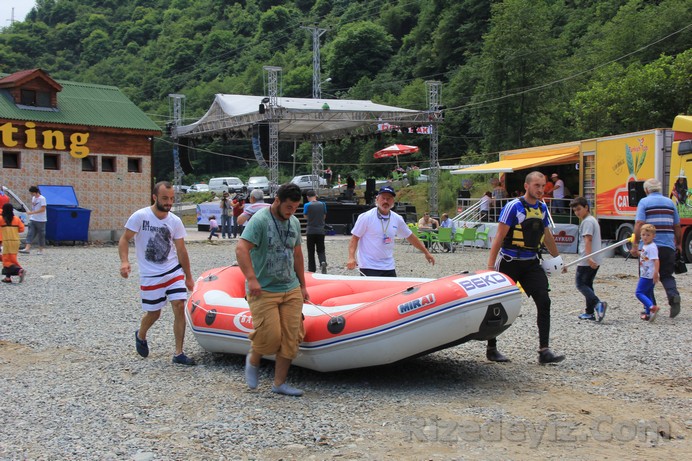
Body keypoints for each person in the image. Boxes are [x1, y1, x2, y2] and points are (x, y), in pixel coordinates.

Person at [236, 183, 308, 396]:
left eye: (295, 208)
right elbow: (241, 248)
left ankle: (279, 384)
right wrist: (252, 279)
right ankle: (254, 358)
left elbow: (297, 254)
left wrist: (303, 285)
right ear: (277, 200)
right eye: (288, 207)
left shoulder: (294, 222)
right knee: (271, 335)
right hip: (263, 289)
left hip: (290, 287)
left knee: (291, 337)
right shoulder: (259, 220)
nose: (291, 211)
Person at [486, 171, 565, 364]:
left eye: (543, 186)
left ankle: (544, 351)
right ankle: (491, 348)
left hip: (531, 263)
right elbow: (499, 237)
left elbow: (547, 236)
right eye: (537, 185)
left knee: (544, 301)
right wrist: (490, 266)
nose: (540, 189)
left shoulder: (542, 208)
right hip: (509, 262)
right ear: (526, 186)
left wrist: (557, 259)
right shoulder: (513, 207)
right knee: (497, 304)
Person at [118, 181, 196, 366]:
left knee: (179, 305)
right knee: (154, 313)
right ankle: (141, 334)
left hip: (173, 270)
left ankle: (178, 353)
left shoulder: (175, 221)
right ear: (154, 197)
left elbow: (181, 250)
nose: (169, 203)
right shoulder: (140, 216)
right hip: (150, 274)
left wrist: (188, 276)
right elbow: (124, 239)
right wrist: (124, 261)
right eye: (165, 198)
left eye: (172, 199)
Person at [347, 186, 435, 276]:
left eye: (389, 199)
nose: (385, 201)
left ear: (393, 201)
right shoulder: (366, 217)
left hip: (388, 266)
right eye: (383, 198)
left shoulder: (397, 219)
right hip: (368, 266)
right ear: (377, 199)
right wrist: (351, 258)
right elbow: (355, 238)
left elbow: (410, 237)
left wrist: (426, 252)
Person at [630, 178, 681, 318]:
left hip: (649, 248)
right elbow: (677, 225)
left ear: (646, 190)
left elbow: (639, 223)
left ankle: (650, 307)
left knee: (646, 276)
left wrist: (635, 244)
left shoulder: (644, 202)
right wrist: (678, 243)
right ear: (659, 189)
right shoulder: (670, 202)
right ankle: (673, 296)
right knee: (667, 275)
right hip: (667, 245)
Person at [569, 197, 607, 322]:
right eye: (575, 210)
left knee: (580, 284)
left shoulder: (587, 222)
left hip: (587, 259)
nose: (577, 212)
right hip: (593, 258)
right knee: (588, 285)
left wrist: (589, 257)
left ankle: (598, 304)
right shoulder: (591, 220)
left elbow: (588, 240)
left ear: (586, 207)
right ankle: (589, 312)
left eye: (579, 209)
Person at [636, 224, 660, 321]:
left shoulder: (652, 247)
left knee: (639, 293)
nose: (645, 237)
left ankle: (651, 307)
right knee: (648, 293)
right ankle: (648, 313)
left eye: (648, 235)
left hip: (648, 275)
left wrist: (656, 273)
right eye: (643, 235)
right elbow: (646, 257)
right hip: (646, 273)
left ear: (653, 236)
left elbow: (656, 260)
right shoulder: (645, 246)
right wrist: (637, 253)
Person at [304, 190, 328, 274]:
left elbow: (305, 216)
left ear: (307, 197)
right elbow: (324, 216)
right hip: (320, 230)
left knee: (311, 251)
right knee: (321, 249)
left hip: (310, 230)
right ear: (315, 195)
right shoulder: (323, 204)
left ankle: (311, 269)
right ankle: (322, 262)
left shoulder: (307, 205)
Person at [1, 203, 26, 283]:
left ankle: (19, 270)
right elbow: (22, 229)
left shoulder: (1, 219)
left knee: (6, 260)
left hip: (6, 242)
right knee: (11, 258)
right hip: (15, 241)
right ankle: (7, 278)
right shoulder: (16, 219)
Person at [19, 186, 47, 255]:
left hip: (41, 219)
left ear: (36, 192)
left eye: (32, 193)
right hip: (33, 218)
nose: (31, 194)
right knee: (30, 233)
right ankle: (27, 248)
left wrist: (32, 212)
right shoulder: (33, 198)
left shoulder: (42, 198)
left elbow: (43, 209)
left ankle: (41, 249)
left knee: (41, 235)